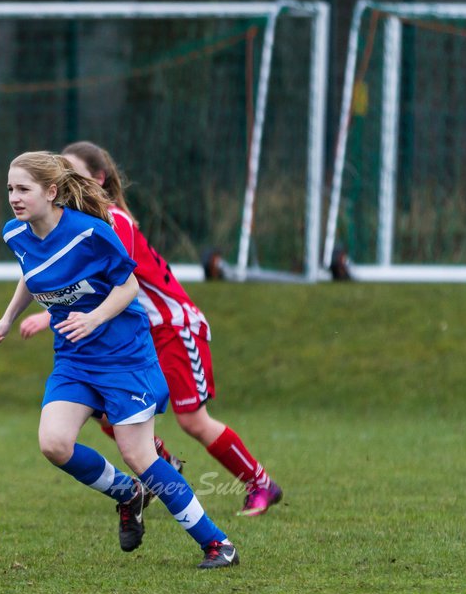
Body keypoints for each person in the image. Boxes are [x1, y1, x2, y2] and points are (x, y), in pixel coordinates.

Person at [0, 151, 237, 569]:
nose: (14, 196)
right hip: (74, 359)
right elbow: (33, 272)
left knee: (140, 456)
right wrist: (6, 319)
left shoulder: (91, 232)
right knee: (54, 443)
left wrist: (95, 317)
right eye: (10, 188)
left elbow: (129, 286)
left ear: (51, 192)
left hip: (124, 357)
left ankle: (217, 544)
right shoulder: (15, 234)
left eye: (23, 189)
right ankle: (127, 493)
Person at [19, 142, 283, 517]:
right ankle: (164, 467)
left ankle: (260, 483)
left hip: (173, 325)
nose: (64, 180)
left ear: (97, 179)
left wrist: (50, 315)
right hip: (132, 334)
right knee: (109, 412)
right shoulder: (74, 225)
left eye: (72, 173)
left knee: (192, 419)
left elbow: (111, 281)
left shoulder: (114, 221)